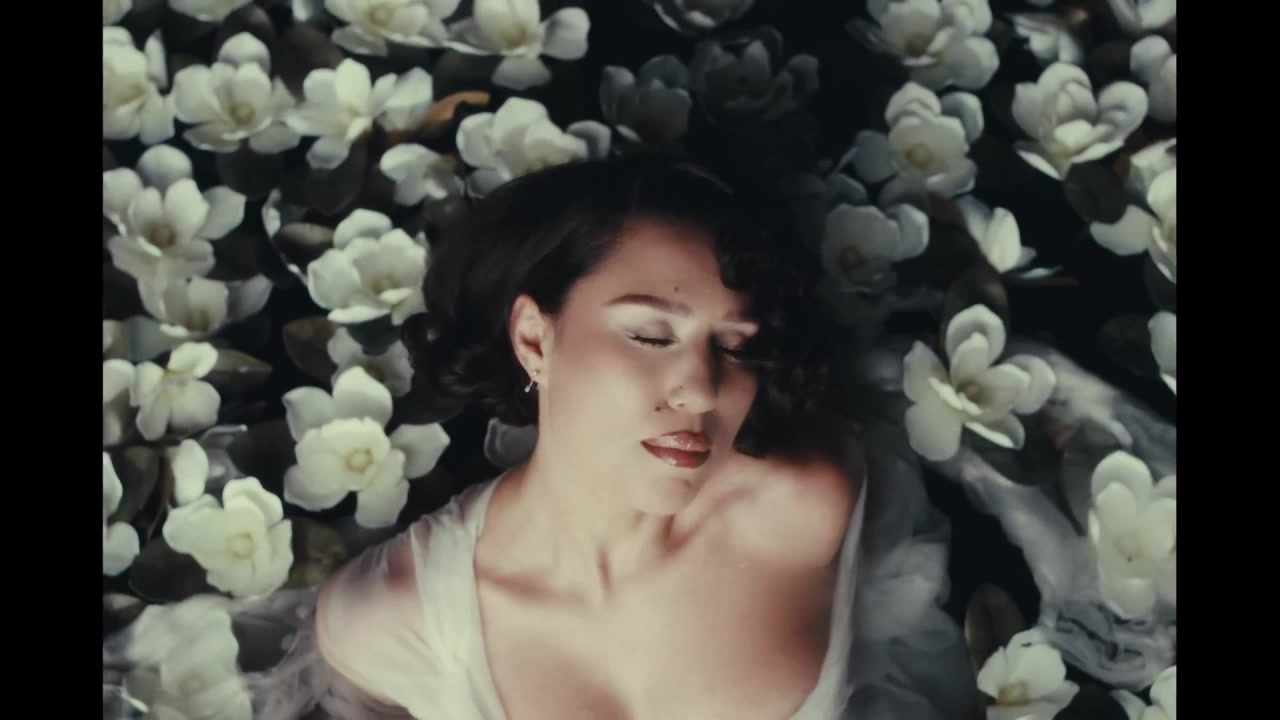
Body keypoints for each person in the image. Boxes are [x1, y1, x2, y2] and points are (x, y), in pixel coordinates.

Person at [106, 155, 980, 720]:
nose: (702, 388)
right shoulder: (395, 625)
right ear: (534, 337)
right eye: (651, 335)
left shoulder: (805, 502)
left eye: (735, 345)